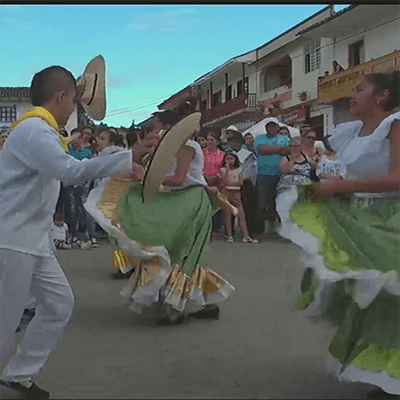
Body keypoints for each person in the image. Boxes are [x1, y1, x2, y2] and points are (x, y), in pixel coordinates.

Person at [0, 64, 159, 399]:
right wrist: (126, 158)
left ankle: (19, 372)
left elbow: (66, 169)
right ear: (61, 96)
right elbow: (67, 171)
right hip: (13, 239)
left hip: (32, 238)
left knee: (58, 304)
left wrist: (124, 160)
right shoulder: (35, 131)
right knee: (5, 320)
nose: (76, 106)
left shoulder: (39, 130)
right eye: (74, 99)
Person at [290, 72, 400, 399]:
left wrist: (338, 187)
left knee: (389, 299)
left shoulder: (394, 124)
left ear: (381, 95)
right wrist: (331, 191)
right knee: (369, 299)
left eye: (359, 88)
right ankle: (385, 374)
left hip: (391, 218)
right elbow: (357, 174)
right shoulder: (351, 133)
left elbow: (397, 180)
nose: (352, 95)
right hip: (361, 217)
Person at [85, 109, 235, 326]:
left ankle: (177, 309)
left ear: (167, 128)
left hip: (190, 202)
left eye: (154, 127)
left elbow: (179, 179)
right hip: (181, 201)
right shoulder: (172, 147)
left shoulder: (187, 146)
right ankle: (200, 304)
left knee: (181, 253)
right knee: (182, 253)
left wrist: (146, 176)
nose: (152, 131)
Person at [253, 121, 290, 242]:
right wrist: (279, 149)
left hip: (281, 174)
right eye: (269, 127)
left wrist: (272, 149)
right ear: (266, 128)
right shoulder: (259, 138)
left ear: (277, 128)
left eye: (274, 127)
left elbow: (287, 151)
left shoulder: (284, 138)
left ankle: (284, 230)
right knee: (261, 204)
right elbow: (262, 149)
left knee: (281, 203)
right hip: (264, 174)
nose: (272, 129)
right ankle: (258, 232)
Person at [275, 137, 313, 241]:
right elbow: (283, 170)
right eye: (291, 146)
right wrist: (293, 159)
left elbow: (314, 167)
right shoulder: (286, 158)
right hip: (287, 187)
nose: (293, 148)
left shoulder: (306, 156)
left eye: (295, 146)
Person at [218, 152, 259, 244]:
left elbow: (240, 182)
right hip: (226, 192)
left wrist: (230, 183)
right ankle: (229, 235)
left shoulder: (239, 169)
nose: (229, 161)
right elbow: (225, 181)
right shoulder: (223, 170)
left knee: (241, 214)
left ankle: (246, 235)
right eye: (227, 159)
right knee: (227, 214)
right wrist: (227, 170)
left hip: (236, 192)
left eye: (231, 159)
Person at [227, 131, 258, 238]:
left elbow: (250, 171)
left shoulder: (248, 155)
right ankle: (229, 231)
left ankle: (249, 231)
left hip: (244, 183)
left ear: (241, 142)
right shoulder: (229, 154)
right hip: (229, 184)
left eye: (236, 142)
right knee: (230, 208)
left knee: (247, 208)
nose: (233, 144)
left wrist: (238, 177)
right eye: (231, 142)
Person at [203, 132, 225, 240]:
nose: (209, 142)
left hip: (217, 181)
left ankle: (215, 229)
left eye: (211, 140)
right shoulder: (202, 153)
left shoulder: (222, 155)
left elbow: (224, 168)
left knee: (217, 205)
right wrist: (205, 177)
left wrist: (217, 177)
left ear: (217, 142)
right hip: (203, 180)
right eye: (207, 139)